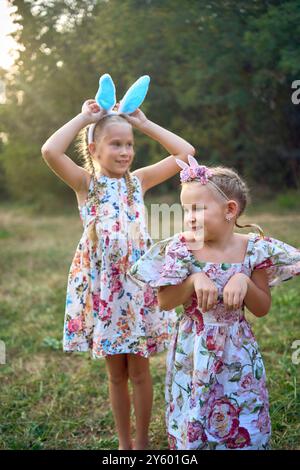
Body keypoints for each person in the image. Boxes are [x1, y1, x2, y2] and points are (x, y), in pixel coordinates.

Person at [41, 87, 194, 450]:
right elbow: (50, 150)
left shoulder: (137, 182)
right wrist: (86, 118)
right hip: (105, 293)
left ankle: (141, 444)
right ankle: (124, 446)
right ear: (93, 149)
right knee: (116, 375)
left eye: (129, 144)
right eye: (115, 144)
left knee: (140, 371)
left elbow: (186, 154)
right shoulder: (86, 184)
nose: (125, 151)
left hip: (137, 289)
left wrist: (145, 123)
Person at [129, 155, 300, 450]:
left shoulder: (254, 250)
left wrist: (245, 282)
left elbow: (262, 308)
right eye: (186, 210)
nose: (190, 217)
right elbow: (166, 301)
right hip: (193, 349)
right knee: (195, 413)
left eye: (197, 208)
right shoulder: (183, 249)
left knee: (243, 411)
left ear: (229, 210)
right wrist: (193, 281)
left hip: (237, 349)